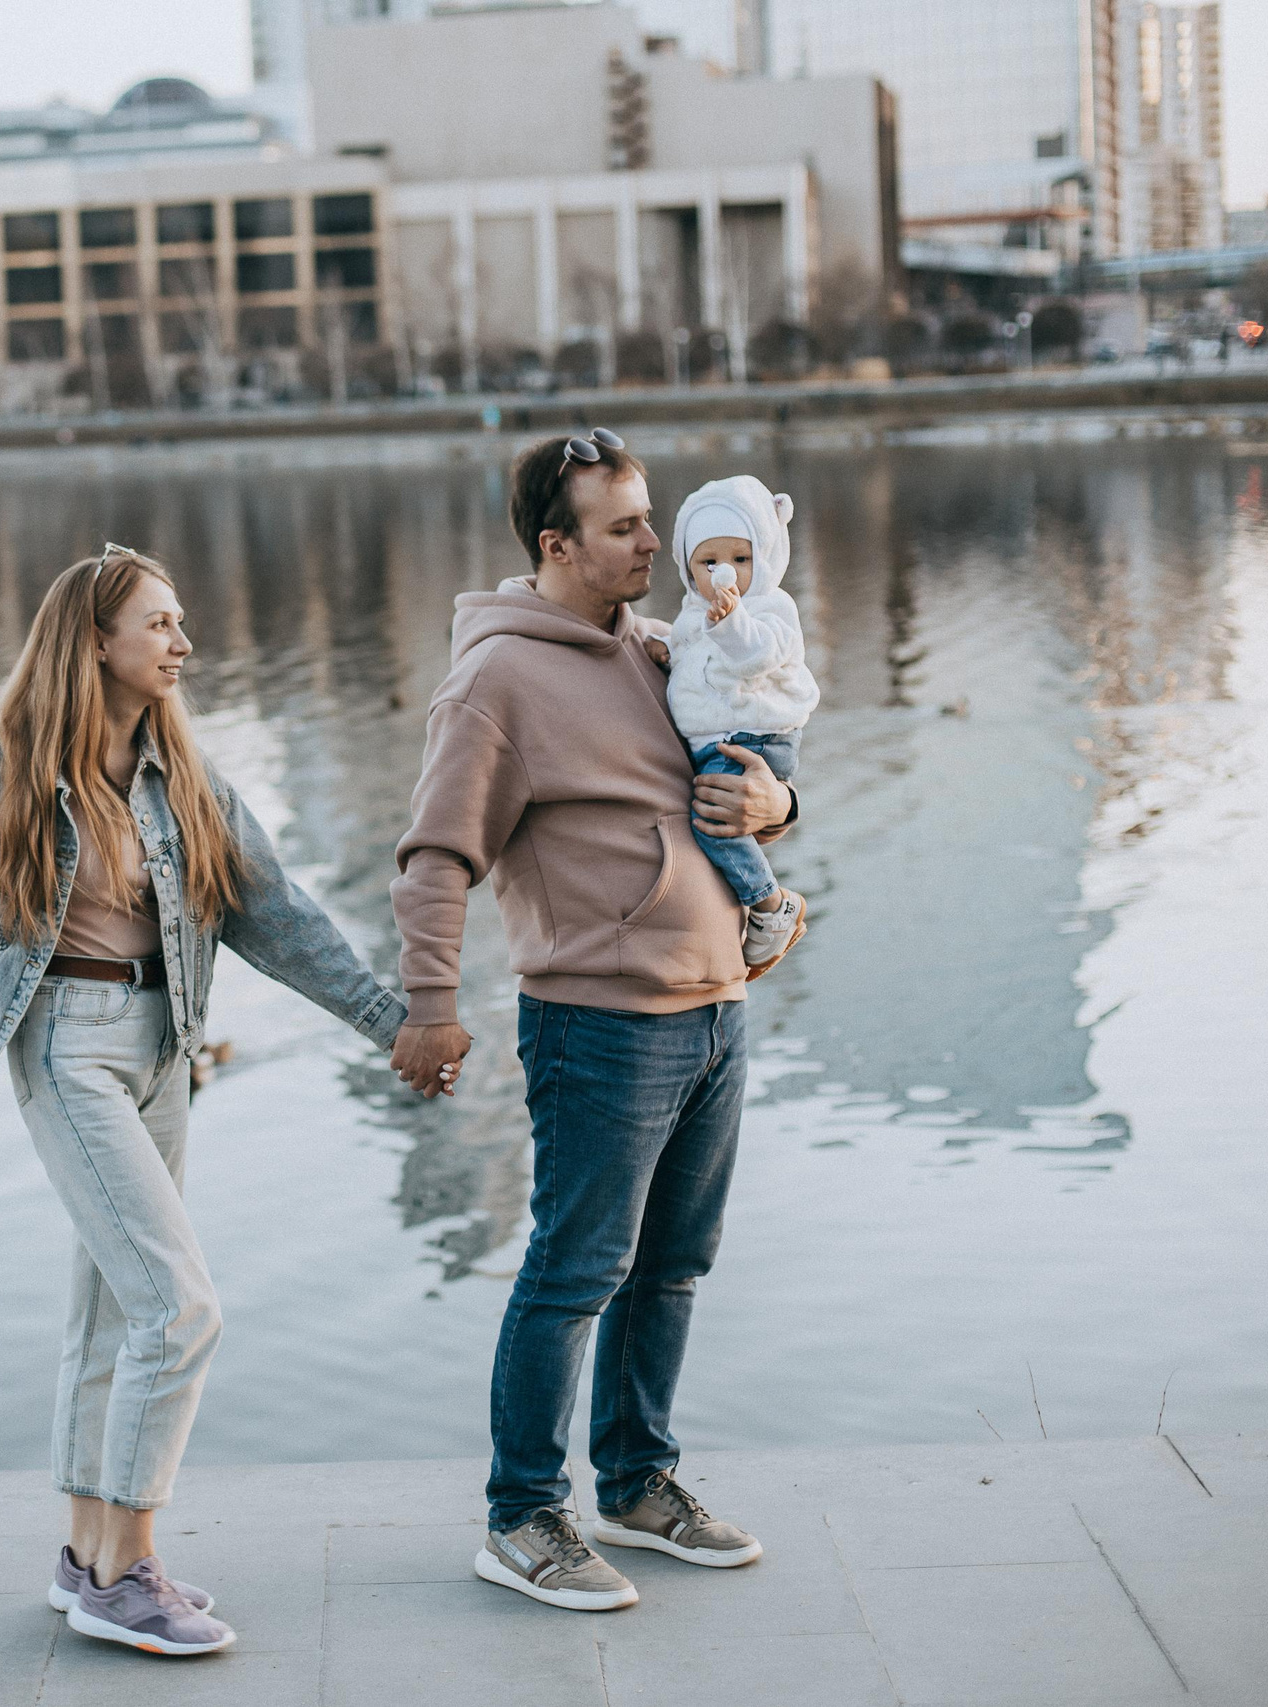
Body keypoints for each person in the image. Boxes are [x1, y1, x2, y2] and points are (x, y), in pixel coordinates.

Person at [0, 546, 406, 1657]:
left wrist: (391, 1024)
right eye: (159, 624)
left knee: (115, 1309)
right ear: (94, 641)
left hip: (165, 1048)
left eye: (179, 621)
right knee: (181, 1307)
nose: (182, 643)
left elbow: (278, 917)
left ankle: (84, 1556)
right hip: (64, 1044)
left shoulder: (184, 776)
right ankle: (127, 1569)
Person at [389, 432, 798, 1612]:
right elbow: (434, 856)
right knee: (574, 1273)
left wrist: (778, 803)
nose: (650, 543)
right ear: (554, 545)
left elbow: (739, 794)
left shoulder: (670, 649)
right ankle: (520, 1517)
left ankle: (637, 1483)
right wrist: (428, 1004)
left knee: (671, 1269)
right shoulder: (495, 683)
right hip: (597, 1025)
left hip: (716, 1006)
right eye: (621, 528)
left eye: (648, 518)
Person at [645, 474, 818, 974]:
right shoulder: (690, 614)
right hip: (723, 738)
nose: (727, 574)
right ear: (688, 567)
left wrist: (732, 622)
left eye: (741, 560)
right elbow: (701, 672)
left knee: (714, 823)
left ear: (763, 557)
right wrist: (668, 657)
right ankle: (763, 902)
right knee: (716, 815)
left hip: (756, 739)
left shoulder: (770, 609)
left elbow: (753, 658)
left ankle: (770, 905)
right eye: (709, 562)